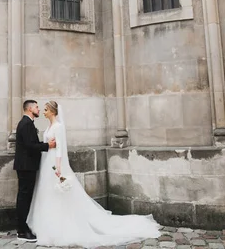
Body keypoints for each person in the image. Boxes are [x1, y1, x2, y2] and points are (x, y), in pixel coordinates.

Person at [26, 100, 161, 247]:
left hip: (54, 163)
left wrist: (59, 166)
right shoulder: (49, 127)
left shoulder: (58, 127)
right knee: (47, 193)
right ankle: (47, 224)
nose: (43, 112)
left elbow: (60, 148)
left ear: (52, 111)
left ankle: (62, 226)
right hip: (46, 163)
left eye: (45, 109)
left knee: (59, 194)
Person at [13, 100, 56, 243]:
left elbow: (31, 144)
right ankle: (22, 230)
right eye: (37, 107)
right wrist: (48, 145)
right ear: (30, 108)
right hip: (26, 166)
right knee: (24, 197)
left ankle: (23, 228)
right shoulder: (25, 124)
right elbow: (30, 145)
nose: (39, 109)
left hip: (27, 166)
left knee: (25, 197)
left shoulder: (27, 123)